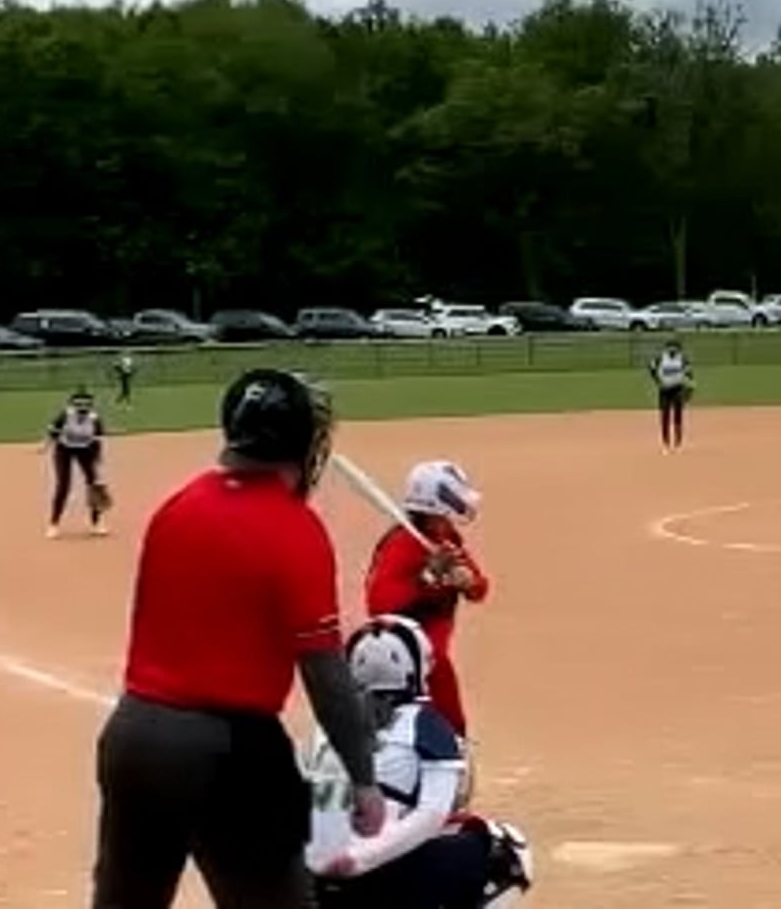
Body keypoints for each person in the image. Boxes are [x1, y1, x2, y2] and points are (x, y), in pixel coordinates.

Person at [91, 367, 385, 909]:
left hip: (135, 737)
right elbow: (325, 673)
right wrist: (363, 777)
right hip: (229, 750)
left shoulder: (177, 508)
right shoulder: (295, 529)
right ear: (303, 446)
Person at [304, 615, 534, 908]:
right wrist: (360, 859)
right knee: (508, 848)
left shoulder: (324, 728)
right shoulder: (426, 724)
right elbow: (432, 814)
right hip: (379, 876)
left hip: (316, 877)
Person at [365, 460, 490, 738]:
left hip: (432, 654)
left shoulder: (446, 541)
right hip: (402, 653)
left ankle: (452, 743)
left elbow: (480, 590)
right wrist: (428, 577)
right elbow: (378, 605)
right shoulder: (402, 544)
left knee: (448, 715)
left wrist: (469, 581)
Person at [45, 386, 110, 538]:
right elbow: (53, 432)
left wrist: (97, 460)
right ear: (73, 406)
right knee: (63, 485)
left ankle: (96, 523)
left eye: (86, 406)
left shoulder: (95, 420)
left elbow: (96, 442)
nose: (82, 410)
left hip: (85, 451)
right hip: (64, 450)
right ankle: (54, 524)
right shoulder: (65, 415)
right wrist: (46, 445)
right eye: (79, 406)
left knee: (94, 485)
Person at [648, 338, 693, 449]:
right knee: (665, 414)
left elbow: (689, 374)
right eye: (670, 347)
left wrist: (689, 387)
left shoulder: (682, 359)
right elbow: (651, 367)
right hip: (664, 389)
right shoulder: (660, 358)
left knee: (678, 413)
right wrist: (657, 381)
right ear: (666, 349)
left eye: (675, 348)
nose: (672, 350)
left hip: (678, 388)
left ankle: (678, 437)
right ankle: (666, 438)